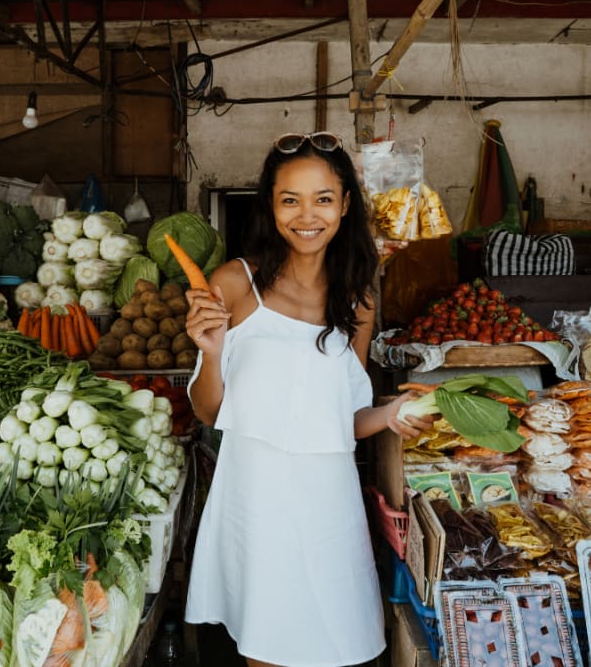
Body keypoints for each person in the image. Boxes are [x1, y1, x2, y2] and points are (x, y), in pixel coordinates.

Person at [182, 131, 436, 667]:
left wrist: (390, 415)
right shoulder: (234, 284)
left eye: (323, 198)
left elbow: (341, 420)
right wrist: (209, 351)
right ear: (271, 207)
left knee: (337, 644)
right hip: (256, 499)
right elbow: (209, 413)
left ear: (345, 204)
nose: (307, 215)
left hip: (328, 504)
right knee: (268, 644)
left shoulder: (358, 296)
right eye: (290, 199)